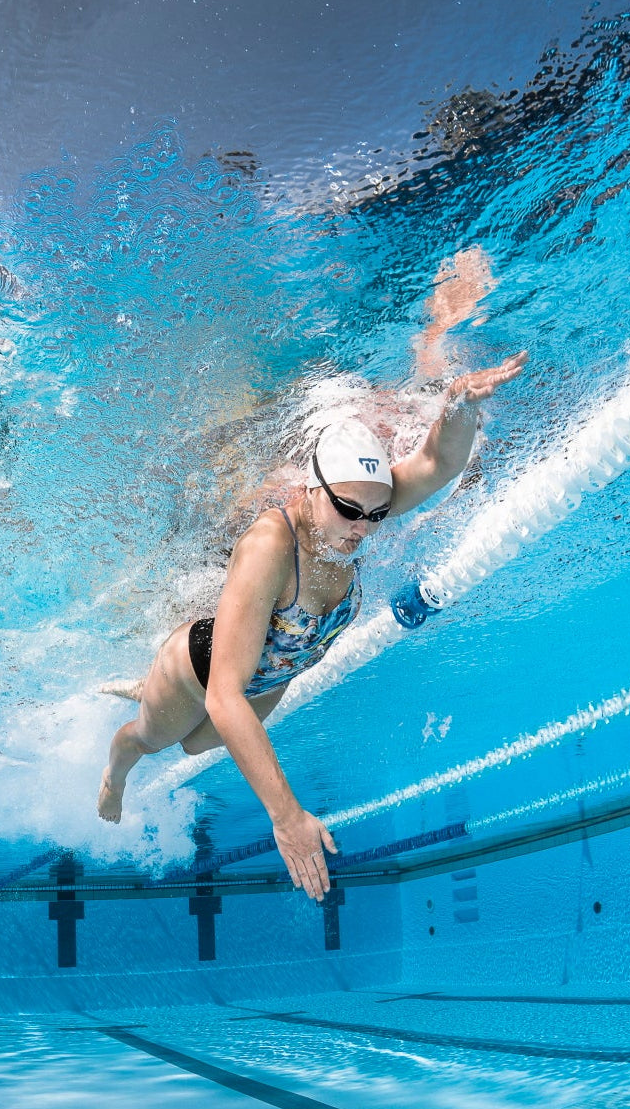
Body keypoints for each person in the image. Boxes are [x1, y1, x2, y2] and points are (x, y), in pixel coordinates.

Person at [97, 252, 526, 904]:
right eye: (350, 512)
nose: (363, 529)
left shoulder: (362, 503)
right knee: (154, 739)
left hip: (272, 675)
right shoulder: (272, 543)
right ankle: (116, 767)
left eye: (376, 515)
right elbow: (225, 697)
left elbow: (437, 464)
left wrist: (458, 403)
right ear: (312, 489)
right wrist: (287, 816)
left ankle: (143, 688)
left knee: (194, 750)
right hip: (205, 672)